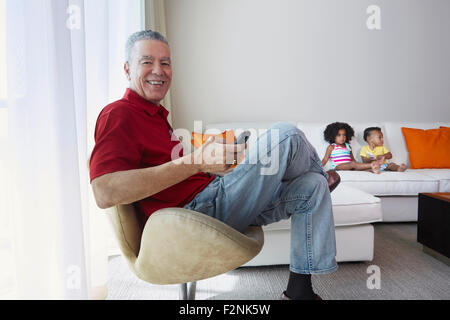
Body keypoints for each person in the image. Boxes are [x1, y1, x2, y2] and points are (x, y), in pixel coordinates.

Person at [89, 30, 340, 300]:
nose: (158, 71)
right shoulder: (118, 114)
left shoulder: (154, 115)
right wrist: (197, 161)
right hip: (195, 215)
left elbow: (178, 176)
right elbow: (104, 192)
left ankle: (299, 292)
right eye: (147, 61)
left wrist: (218, 166)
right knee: (286, 135)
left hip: (214, 196)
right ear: (127, 69)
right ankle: (318, 171)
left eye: (165, 63)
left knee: (311, 187)